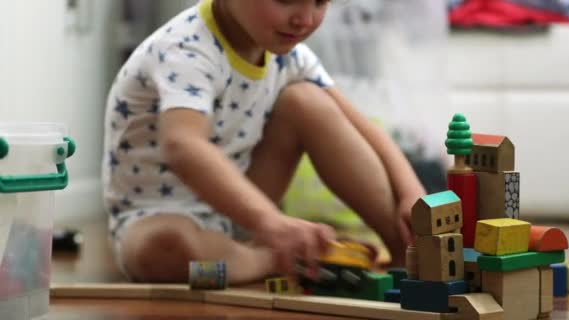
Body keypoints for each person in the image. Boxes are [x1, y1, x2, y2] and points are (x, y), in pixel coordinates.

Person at [102, 0, 426, 285]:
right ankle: (276, 259)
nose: (306, 19)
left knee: (308, 102)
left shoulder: (293, 57)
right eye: (285, 0)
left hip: (243, 213)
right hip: (159, 218)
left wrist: (411, 191)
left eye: (320, 1)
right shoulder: (186, 50)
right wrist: (271, 223)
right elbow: (183, 146)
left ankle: (405, 251)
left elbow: (362, 127)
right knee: (161, 253)